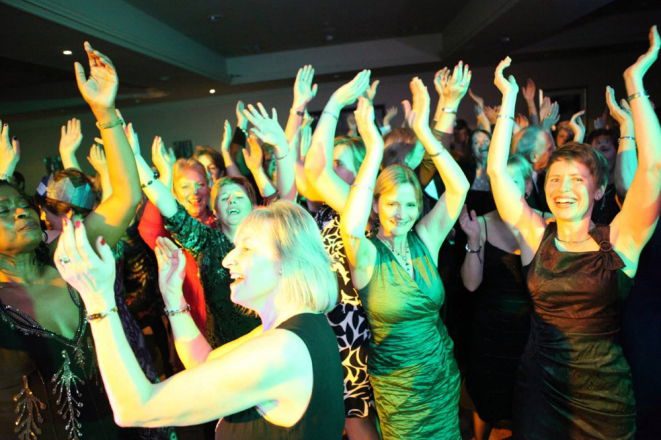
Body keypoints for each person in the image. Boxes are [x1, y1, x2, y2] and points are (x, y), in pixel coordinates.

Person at [486, 25, 660, 439]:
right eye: (555, 179)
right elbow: (496, 172)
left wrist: (635, 83)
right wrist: (508, 99)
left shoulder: (620, 239)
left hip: (605, 397)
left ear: (598, 190)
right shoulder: (535, 234)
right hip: (539, 394)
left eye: (577, 180)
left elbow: (653, 169)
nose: (563, 189)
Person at [53, 200, 344, 440]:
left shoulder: (281, 350)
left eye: (246, 248)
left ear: (287, 262)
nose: (227, 260)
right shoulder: (295, 328)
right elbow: (205, 363)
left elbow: (135, 409)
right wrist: (173, 298)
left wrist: (98, 300)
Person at [0, 42, 148, 439]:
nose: (21, 213)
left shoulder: (68, 256)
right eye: (3, 211)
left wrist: (105, 113)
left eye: (23, 205)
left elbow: (125, 198)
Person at [341, 76, 469, 438]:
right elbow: (350, 227)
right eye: (392, 204)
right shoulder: (366, 253)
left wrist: (425, 133)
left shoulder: (425, 239)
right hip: (400, 389)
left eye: (411, 205)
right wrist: (372, 152)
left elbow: (458, 188)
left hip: (441, 375)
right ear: (376, 206)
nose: (402, 213)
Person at [459, 154, 533, 440]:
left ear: (528, 186)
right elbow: (471, 284)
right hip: (490, 333)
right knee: (486, 402)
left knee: (524, 408)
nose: (507, 189)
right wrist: (473, 240)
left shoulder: (545, 222)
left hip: (531, 335)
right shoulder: (481, 224)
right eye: (501, 183)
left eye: (513, 182)